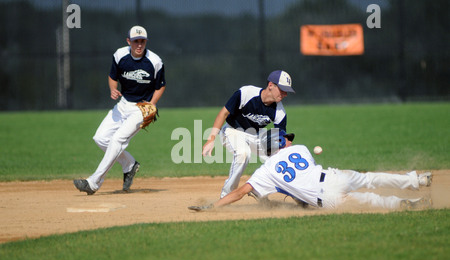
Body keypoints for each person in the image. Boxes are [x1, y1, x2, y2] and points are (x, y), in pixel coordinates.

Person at [190, 129, 433, 211]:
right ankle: (416, 180)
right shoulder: (303, 149)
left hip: (325, 196)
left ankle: (407, 205)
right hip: (335, 176)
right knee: (370, 179)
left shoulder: (264, 172)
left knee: (368, 200)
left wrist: (214, 206)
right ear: (278, 144)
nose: (290, 141)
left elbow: (240, 192)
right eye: (286, 139)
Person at [73, 25, 166, 195]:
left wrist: (152, 104)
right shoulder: (120, 55)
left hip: (140, 109)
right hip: (122, 105)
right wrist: (112, 89)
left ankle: (93, 183)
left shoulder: (155, 61)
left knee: (117, 139)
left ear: (146, 41)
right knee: (100, 138)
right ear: (128, 41)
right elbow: (112, 76)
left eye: (142, 41)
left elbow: (161, 86)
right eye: (136, 41)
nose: (139, 44)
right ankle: (129, 164)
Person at [202, 70, 295, 198]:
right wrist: (211, 139)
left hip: (256, 135)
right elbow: (223, 113)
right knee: (243, 153)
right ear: (271, 85)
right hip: (232, 131)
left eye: (287, 91)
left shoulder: (280, 112)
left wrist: (284, 152)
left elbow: (281, 139)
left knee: (278, 160)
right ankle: (226, 196)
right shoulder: (246, 93)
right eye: (282, 89)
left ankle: (265, 191)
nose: (285, 94)